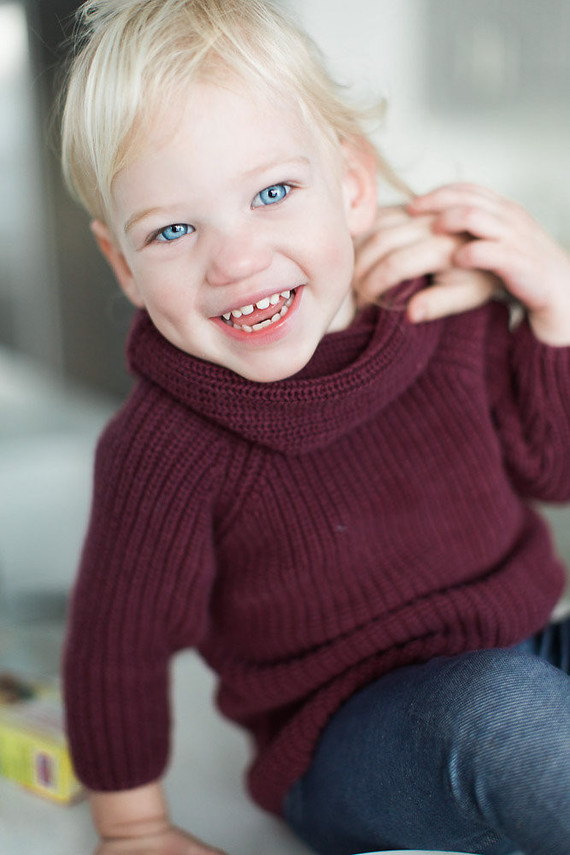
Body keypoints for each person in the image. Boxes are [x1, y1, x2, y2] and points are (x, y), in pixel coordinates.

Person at [59, 1, 570, 854]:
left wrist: (555, 309)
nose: (237, 259)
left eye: (272, 192)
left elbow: (556, 471)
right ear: (123, 262)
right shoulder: (165, 448)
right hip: (350, 739)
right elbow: (117, 649)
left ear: (354, 186)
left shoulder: (441, 308)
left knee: (516, 703)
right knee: (502, 719)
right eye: (174, 229)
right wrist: (135, 826)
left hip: (524, 649)